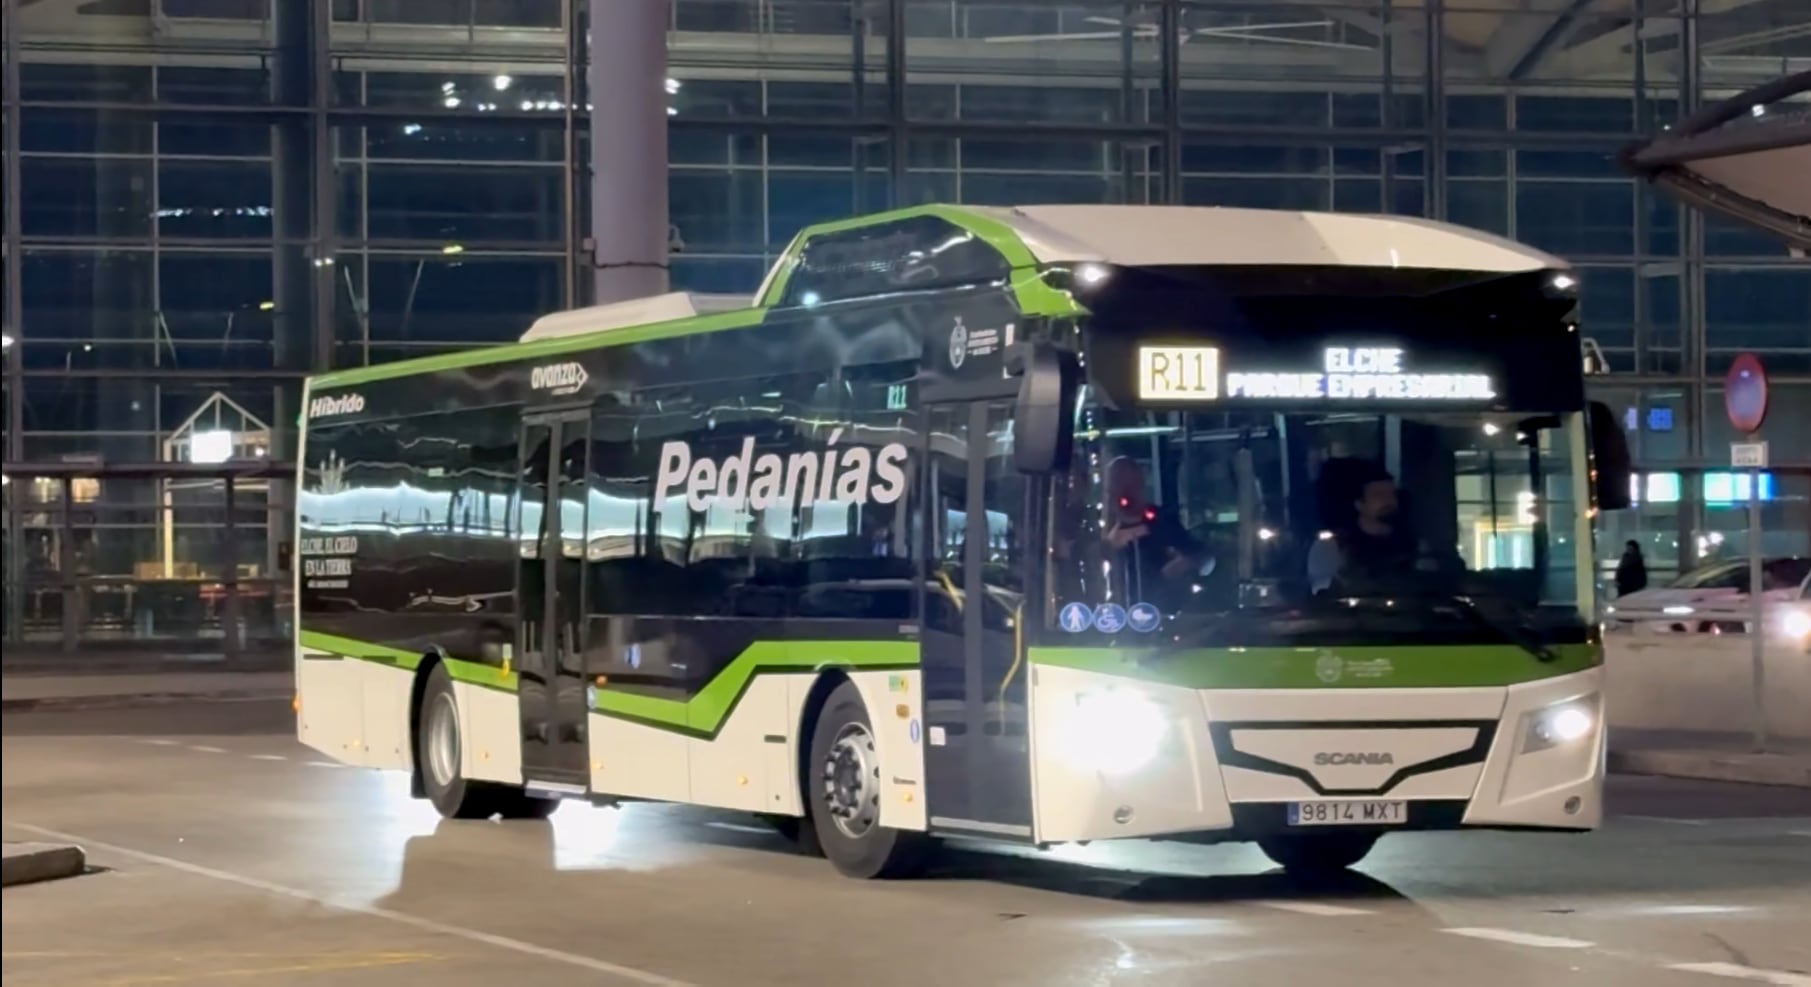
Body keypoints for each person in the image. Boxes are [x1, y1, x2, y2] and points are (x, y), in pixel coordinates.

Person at [1102, 456, 1206, 607]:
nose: (1125, 491)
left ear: (1141, 485)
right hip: (1117, 615)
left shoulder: (1163, 522)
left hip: (1164, 611)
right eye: (1117, 484)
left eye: (1131, 484)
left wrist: (1179, 566)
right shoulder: (1100, 528)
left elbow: (1198, 555)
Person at [1307, 462, 1417, 593]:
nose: (1389, 501)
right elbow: (1323, 597)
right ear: (1359, 504)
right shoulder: (1332, 548)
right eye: (1379, 495)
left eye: (1392, 494)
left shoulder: (1413, 545)